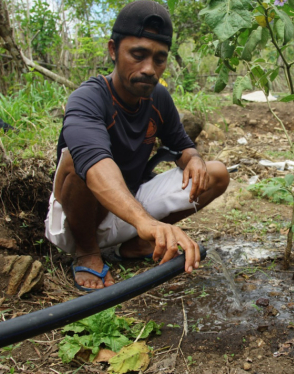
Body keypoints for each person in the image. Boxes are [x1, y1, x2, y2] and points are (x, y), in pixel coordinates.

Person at [44, 0, 229, 292]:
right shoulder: (88, 98)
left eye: (159, 59)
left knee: (215, 172)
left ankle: (133, 245)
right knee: (76, 164)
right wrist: (147, 221)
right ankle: (88, 253)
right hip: (79, 220)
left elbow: (182, 145)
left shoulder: (159, 98)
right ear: (113, 50)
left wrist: (192, 158)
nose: (149, 69)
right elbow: (94, 164)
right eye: (138, 55)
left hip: (130, 205)